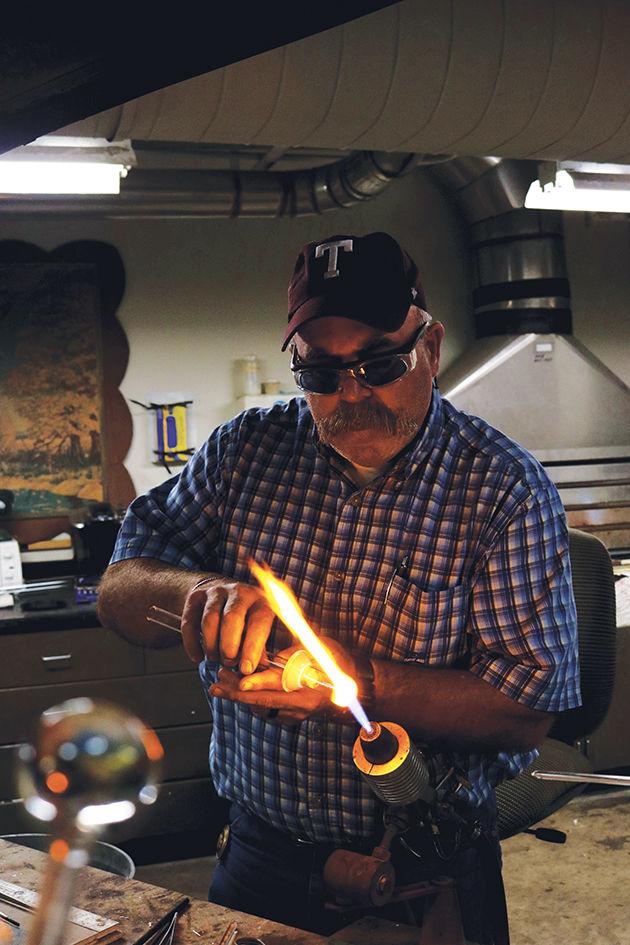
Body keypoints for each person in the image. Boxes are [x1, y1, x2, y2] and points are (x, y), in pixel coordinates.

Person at [98, 232, 581, 943]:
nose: (353, 394)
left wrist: (354, 681)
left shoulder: (502, 489)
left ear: (433, 349)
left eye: (381, 363)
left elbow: (525, 710)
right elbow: (118, 588)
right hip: (258, 856)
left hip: (424, 870)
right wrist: (195, 590)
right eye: (322, 373)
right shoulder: (245, 453)